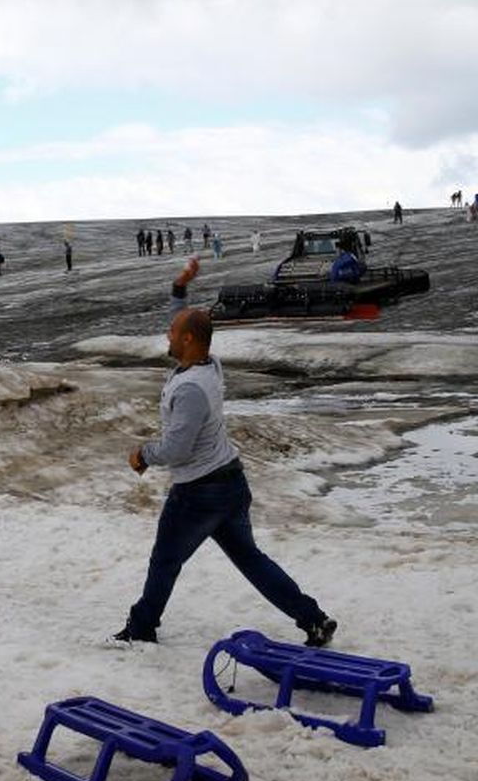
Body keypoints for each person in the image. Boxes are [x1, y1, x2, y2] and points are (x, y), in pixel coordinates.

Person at [110, 256, 336, 648]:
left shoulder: (192, 389)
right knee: (250, 559)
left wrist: (143, 455)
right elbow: (186, 319)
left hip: (199, 493)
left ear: (188, 341)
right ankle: (313, 619)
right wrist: (180, 287)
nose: (167, 336)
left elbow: (178, 449)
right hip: (229, 484)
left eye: (172, 332)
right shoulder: (208, 362)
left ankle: (141, 628)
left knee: (165, 561)